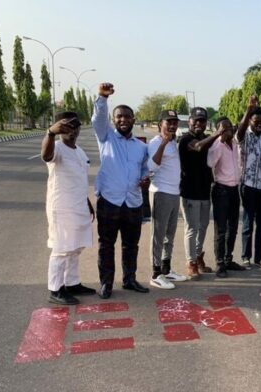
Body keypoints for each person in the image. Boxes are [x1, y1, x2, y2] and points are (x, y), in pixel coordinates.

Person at [92, 83, 150, 299]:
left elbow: (145, 168)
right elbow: (98, 119)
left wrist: (145, 179)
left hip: (133, 202)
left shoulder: (141, 146)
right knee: (106, 244)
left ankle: (130, 279)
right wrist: (103, 98)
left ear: (134, 120)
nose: (123, 120)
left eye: (127, 116)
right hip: (110, 201)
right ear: (114, 120)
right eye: (119, 117)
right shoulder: (105, 137)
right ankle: (106, 283)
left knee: (131, 245)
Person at [42, 112, 96, 305]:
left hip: (79, 205)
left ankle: (72, 283)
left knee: (76, 247)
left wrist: (88, 203)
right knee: (62, 248)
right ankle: (55, 289)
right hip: (62, 207)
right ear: (58, 127)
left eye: (75, 126)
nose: (71, 131)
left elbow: (79, 181)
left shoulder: (79, 151)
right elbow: (46, 155)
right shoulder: (56, 147)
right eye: (65, 126)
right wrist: (50, 133)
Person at [147, 110, 189, 289]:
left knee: (169, 235)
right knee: (158, 235)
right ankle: (156, 273)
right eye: (168, 122)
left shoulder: (174, 142)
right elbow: (151, 167)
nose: (172, 125)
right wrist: (163, 144)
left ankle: (166, 269)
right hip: (160, 192)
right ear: (160, 124)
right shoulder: (156, 142)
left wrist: (168, 142)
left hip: (173, 193)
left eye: (174, 122)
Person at [178, 107, 217, 278]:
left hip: (204, 191)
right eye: (196, 120)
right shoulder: (186, 139)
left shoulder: (206, 139)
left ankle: (198, 256)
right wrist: (217, 134)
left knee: (203, 228)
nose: (199, 124)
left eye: (202, 120)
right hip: (189, 191)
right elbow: (198, 148)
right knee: (192, 229)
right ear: (190, 121)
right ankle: (191, 262)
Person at [235, 95, 261, 270]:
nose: (259, 123)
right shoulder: (244, 136)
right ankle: (245, 257)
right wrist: (249, 108)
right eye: (256, 120)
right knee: (248, 222)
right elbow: (239, 133)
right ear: (250, 120)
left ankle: (259, 257)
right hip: (248, 185)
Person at [207, 118, 245, 278]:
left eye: (230, 127)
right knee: (221, 229)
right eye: (225, 128)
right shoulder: (216, 145)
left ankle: (228, 258)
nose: (229, 130)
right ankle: (220, 263)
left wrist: (249, 110)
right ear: (218, 131)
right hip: (221, 190)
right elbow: (210, 163)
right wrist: (220, 139)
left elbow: (242, 127)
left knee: (233, 228)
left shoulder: (234, 143)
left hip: (234, 190)